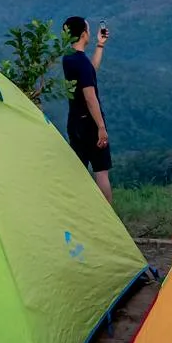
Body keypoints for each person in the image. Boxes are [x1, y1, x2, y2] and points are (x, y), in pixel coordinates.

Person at [61, 16, 112, 203]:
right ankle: (108, 220)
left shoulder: (69, 59)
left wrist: (100, 46)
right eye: (88, 30)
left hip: (74, 123)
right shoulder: (81, 63)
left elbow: (90, 72)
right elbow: (90, 96)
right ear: (83, 34)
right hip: (90, 123)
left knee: (79, 172)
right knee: (101, 171)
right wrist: (101, 127)